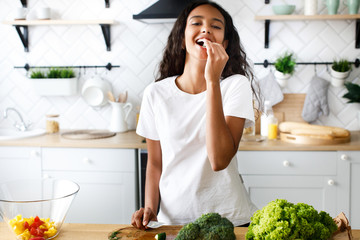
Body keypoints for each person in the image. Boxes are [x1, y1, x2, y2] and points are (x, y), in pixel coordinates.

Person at [131, 0, 260, 230]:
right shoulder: (155, 93)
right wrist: (150, 207)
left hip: (230, 220)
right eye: (197, 23)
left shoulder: (235, 86)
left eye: (216, 26)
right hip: (173, 221)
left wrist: (212, 81)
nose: (206, 29)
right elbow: (155, 163)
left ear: (225, 43)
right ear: (182, 39)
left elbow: (219, 160)